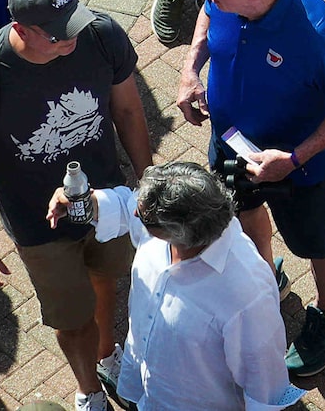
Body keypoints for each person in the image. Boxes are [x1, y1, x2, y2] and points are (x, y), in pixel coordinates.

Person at [0, 0, 149, 411]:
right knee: (71, 319)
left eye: (72, 22)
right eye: (56, 35)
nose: (70, 38)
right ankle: (88, 389)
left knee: (106, 279)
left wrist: (149, 185)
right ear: (20, 29)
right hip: (39, 226)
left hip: (106, 203)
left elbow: (128, 110)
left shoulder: (100, 35)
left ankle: (107, 353)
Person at [173, 0, 325, 382]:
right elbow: (207, 14)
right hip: (231, 142)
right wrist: (190, 69)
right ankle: (266, 278)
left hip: (299, 171)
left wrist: (295, 158)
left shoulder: (317, 33)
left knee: (315, 244)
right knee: (242, 211)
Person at [72, 163, 294, 411]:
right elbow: (128, 207)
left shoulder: (246, 294)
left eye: (144, 217)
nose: (136, 214)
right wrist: (85, 202)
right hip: (154, 391)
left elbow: (264, 381)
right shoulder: (169, 227)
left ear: (177, 233)